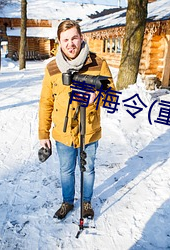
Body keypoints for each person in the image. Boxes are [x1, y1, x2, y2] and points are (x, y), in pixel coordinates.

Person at [38, 20, 115, 220]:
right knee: (66, 170)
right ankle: (67, 202)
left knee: (88, 168)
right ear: (59, 42)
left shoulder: (98, 64)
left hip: (89, 130)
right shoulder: (52, 68)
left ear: (81, 38)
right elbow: (46, 102)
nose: (70, 43)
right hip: (63, 133)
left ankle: (86, 202)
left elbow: (113, 96)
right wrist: (43, 134)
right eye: (66, 40)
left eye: (74, 38)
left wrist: (97, 97)